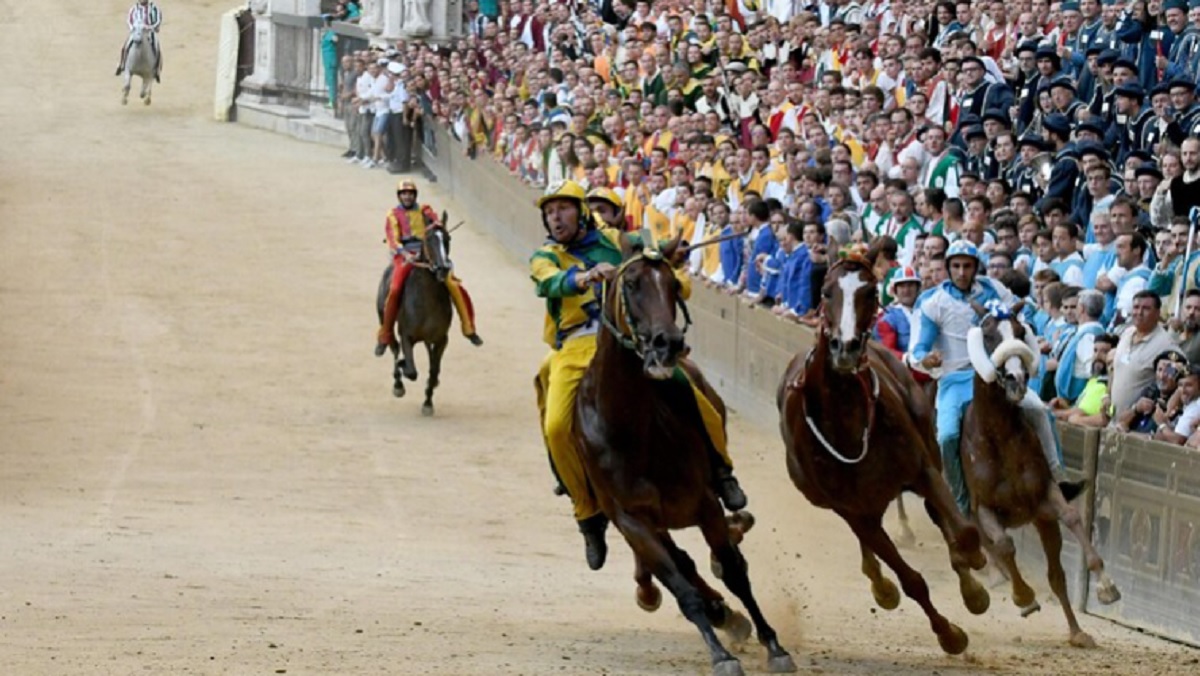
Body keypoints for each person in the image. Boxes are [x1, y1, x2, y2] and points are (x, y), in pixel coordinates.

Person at [530, 180, 746, 570]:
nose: (555, 218)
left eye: (562, 209)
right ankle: (587, 514)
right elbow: (547, 282)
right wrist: (585, 277)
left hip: (631, 342)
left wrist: (670, 256)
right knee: (557, 426)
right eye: (549, 212)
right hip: (576, 345)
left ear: (581, 212)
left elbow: (655, 257)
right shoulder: (546, 255)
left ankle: (722, 470)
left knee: (692, 391)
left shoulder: (618, 240)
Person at [908, 240, 1083, 515]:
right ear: (948, 267)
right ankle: (960, 499)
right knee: (948, 436)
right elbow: (918, 348)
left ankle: (1057, 477)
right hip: (955, 379)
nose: (962, 272)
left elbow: (1023, 313)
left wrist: (1025, 331)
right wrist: (926, 359)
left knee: (1040, 411)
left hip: (998, 377)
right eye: (956, 266)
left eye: (967, 266)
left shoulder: (994, 288)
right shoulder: (933, 302)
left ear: (976, 266)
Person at [375, 181, 483, 356]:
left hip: (429, 253)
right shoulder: (393, 214)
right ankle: (385, 335)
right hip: (405, 256)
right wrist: (405, 253)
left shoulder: (424, 209)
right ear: (399, 196)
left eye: (410, 194)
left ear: (415, 196)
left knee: (454, 285)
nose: (407, 197)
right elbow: (393, 239)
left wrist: (437, 226)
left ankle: (469, 328)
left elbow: (435, 221)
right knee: (394, 288)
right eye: (404, 194)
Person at [116, 0, 162, 80]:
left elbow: (158, 20)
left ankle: (156, 70)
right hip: (136, 31)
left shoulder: (154, 8)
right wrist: (132, 28)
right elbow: (129, 20)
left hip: (149, 32)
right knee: (126, 45)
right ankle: (122, 64)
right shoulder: (134, 8)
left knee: (156, 47)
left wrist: (150, 27)